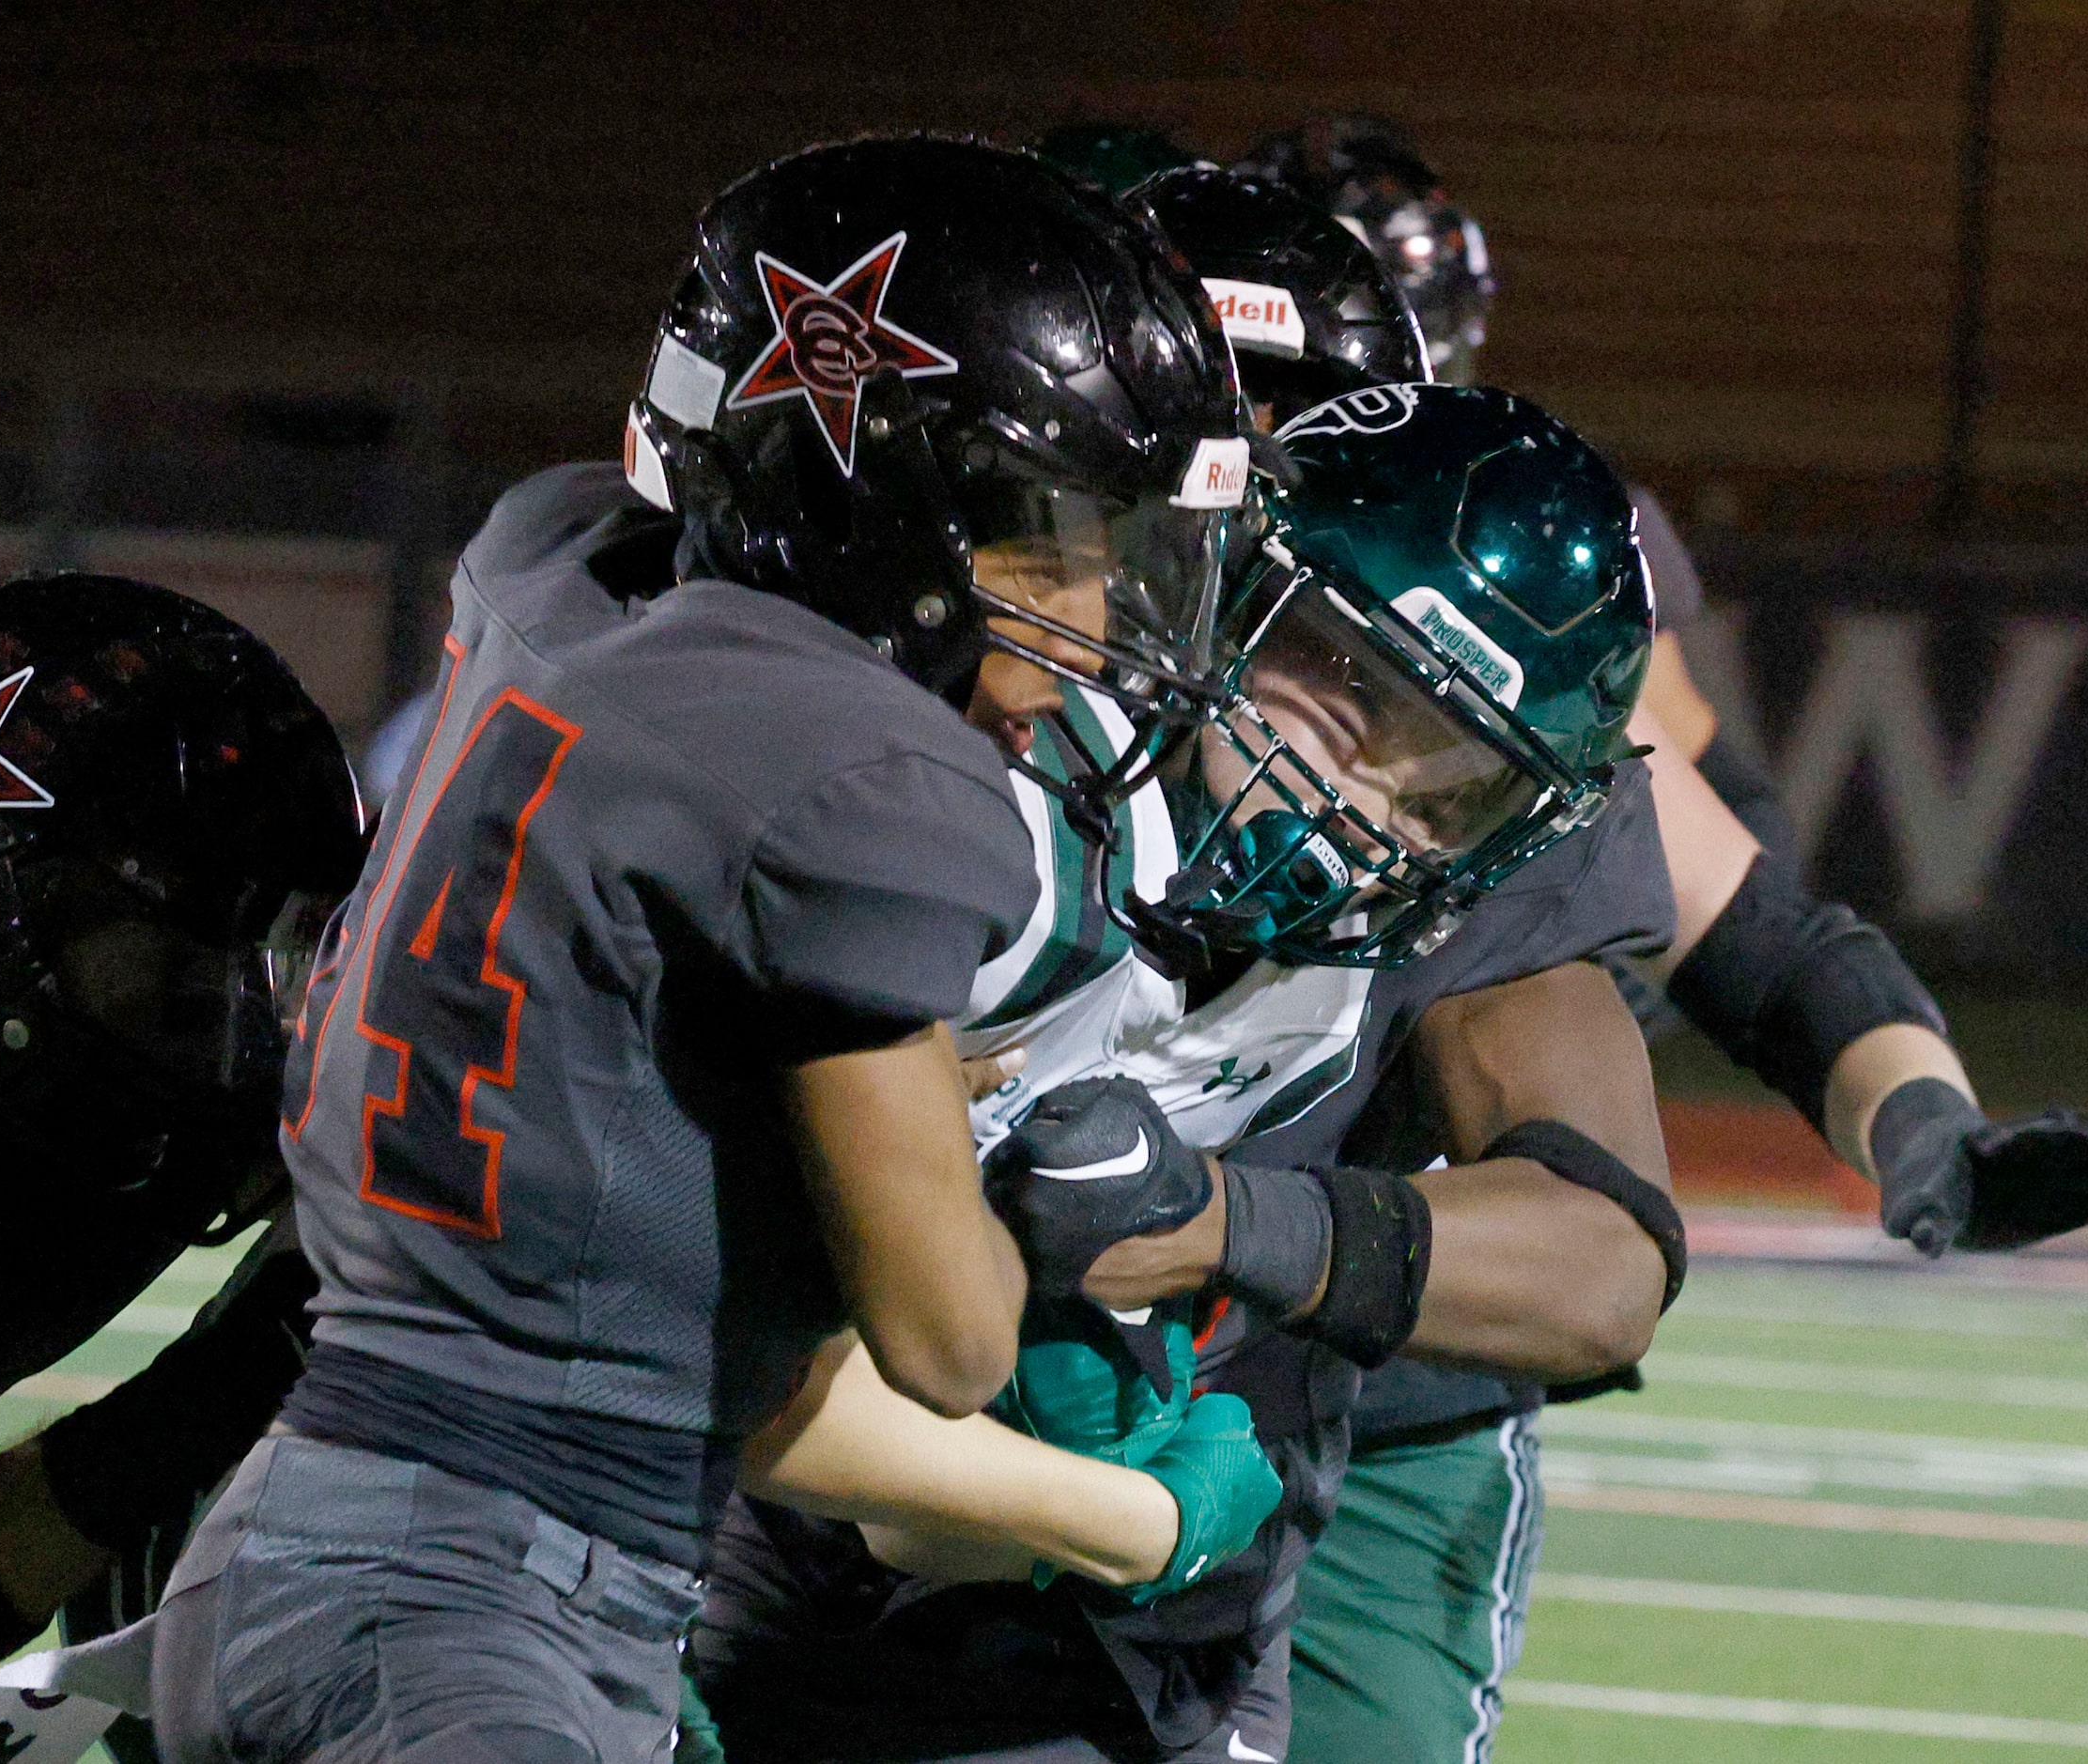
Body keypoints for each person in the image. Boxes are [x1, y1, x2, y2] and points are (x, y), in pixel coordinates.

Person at [145, 136, 1266, 1764]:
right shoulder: (859, 773)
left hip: (321, 1523)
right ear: (889, 503)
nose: (1091, 618)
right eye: (1050, 538)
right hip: (482, 1595)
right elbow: (947, 1336)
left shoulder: (558, 579)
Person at [1228, 117, 2088, 1763]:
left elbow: (1748, 917)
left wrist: (1920, 1123)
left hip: (1376, 1366)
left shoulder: (1495, 616)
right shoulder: (1032, 635)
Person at [688, 380, 1683, 1764]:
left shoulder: (1436, 927)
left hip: (1143, 1632)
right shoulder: (1001, 767)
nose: (1362, 789)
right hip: (786, 1538)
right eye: (1346, 680)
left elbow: (1606, 1268)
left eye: (1446, 775)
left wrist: (1221, 1223)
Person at [0, 572, 365, 1743]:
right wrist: (244, 1369)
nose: (233, 1020)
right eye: (174, 965)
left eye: (259, 966)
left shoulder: (51, 1065)